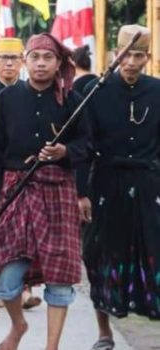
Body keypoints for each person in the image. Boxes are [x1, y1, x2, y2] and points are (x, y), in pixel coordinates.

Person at [0, 33, 87, 350]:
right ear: (25, 61)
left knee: (59, 273)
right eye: (35, 57)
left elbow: (90, 144)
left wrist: (65, 151)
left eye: (48, 58)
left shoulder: (72, 100)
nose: (41, 63)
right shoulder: (7, 100)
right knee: (7, 278)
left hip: (59, 191)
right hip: (17, 189)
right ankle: (18, 325)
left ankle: (51, 346)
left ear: (58, 63)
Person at [77, 25, 160, 350]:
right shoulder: (96, 91)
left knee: (153, 252)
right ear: (115, 54)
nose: (131, 61)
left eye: (138, 55)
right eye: (126, 54)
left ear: (147, 58)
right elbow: (83, 147)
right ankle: (104, 332)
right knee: (99, 255)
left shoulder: (157, 91)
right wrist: (81, 191)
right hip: (105, 182)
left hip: (148, 183)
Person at [0, 37, 42, 311]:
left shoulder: (30, 91)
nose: (8, 63)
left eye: (14, 58)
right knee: (5, 233)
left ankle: (27, 287)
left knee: (29, 235)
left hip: (29, 174)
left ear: (22, 62)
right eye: (3, 57)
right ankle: (4, 288)